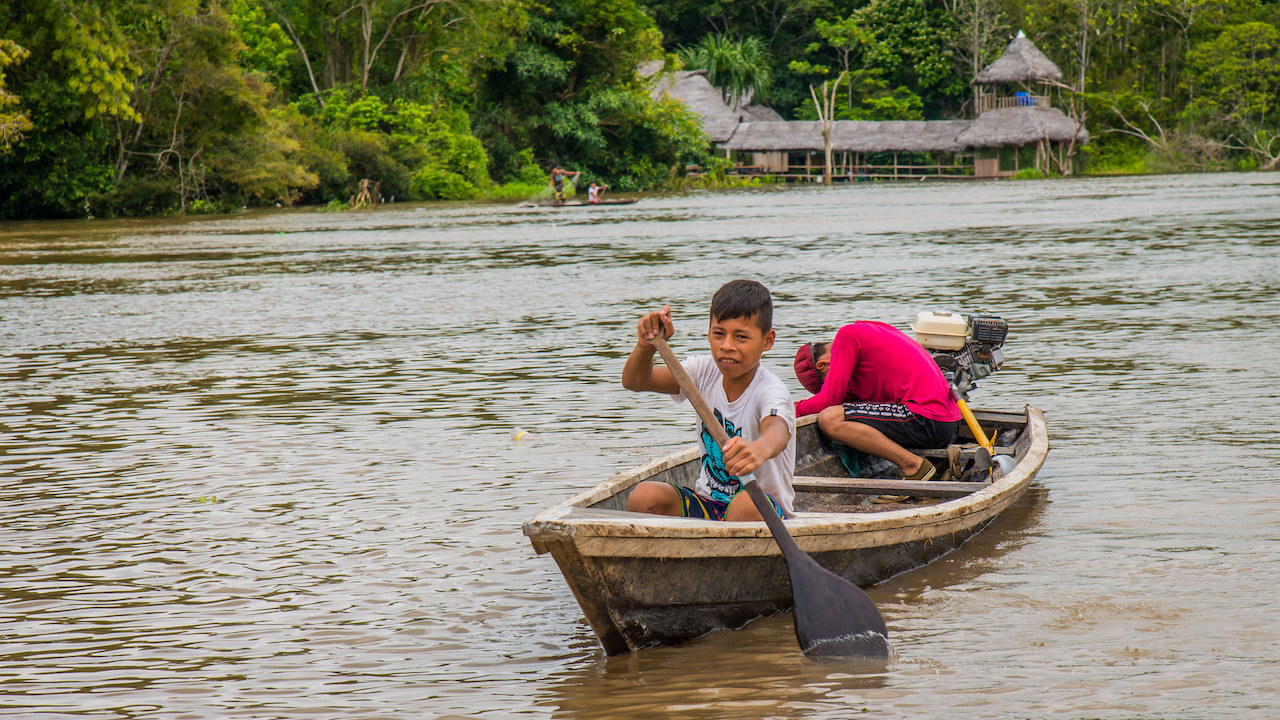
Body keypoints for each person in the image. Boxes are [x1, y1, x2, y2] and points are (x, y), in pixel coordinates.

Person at [622, 280, 797, 521]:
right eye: (718, 334)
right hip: (709, 504)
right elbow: (636, 381)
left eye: (741, 337)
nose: (727, 346)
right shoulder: (702, 371)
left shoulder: (770, 390)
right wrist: (646, 347)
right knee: (644, 497)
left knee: (744, 506)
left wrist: (760, 448)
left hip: (761, 507)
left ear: (767, 341)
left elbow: (777, 429)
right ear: (708, 333)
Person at [793, 321, 961, 491]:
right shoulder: (875, 332)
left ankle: (913, 466)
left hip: (925, 418)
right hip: (949, 423)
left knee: (830, 418)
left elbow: (828, 401)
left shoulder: (847, 335)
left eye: (827, 381)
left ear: (822, 364)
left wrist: (787, 410)